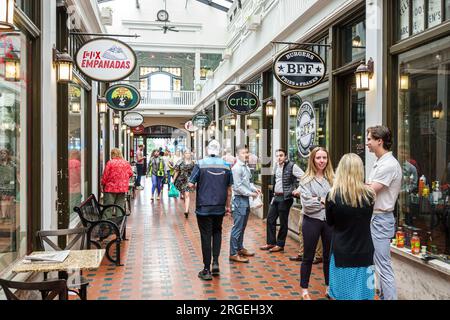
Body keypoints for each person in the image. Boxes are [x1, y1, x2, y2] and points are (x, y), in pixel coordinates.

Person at [326, 153, 376, 300]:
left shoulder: (332, 195)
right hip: (365, 251)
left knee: (341, 294)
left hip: (342, 252)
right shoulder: (370, 195)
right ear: (360, 170)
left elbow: (330, 222)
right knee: (364, 295)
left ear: (340, 169)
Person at [366, 125, 402, 300]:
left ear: (379, 141)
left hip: (381, 219)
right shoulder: (380, 162)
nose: (367, 143)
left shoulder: (388, 164)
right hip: (375, 218)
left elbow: (370, 190)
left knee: (383, 265)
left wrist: (350, 184)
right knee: (374, 263)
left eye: (369, 139)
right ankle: (377, 294)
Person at [188, 140, 233, 281]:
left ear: (207, 149)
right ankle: (215, 263)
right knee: (217, 231)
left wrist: (196, 187)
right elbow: (229, 190)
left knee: (205, 235)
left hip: (203, 206)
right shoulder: (226, 165)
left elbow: (191, 184)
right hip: (219, 206)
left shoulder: (200, 164)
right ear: (219, 150)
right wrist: (228, 206)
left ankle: (206, 269)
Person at [293, 146, 334, 300]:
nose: (321, 161)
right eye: (318, 158)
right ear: (312, 160)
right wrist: (323, 200)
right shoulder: (305, 179)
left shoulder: (333, 178)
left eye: (324, 157)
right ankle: (304, 289)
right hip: (311, 221)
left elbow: (335, 200)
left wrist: (317, 199)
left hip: (329, 221)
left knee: (328, 257)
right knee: (308, 257)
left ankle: (329, 287)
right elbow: (307, 204)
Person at [260, 149, 304, 253]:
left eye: (281, 155)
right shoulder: (276, 166)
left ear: (285, 156)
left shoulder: (292, 166)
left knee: (283, 222)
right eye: (277, 156)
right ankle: (271, 242)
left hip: (285, 198)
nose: (279, 157)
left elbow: (305, 177)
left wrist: (298, 190)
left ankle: (280, 244)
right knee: (270, 219)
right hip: (276, 197)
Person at [229, 145, 261, 263]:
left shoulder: (245, 166)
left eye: (247, 152)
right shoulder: (237, 168)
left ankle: (240, 248)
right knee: (237, 228)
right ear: (237, 155)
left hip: (245, 199)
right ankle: (233, 253)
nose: (246, 155)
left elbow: (247, 182)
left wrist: (254, 189)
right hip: (239, 200)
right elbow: (237, 187)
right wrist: (250, 194)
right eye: (243, 153)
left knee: (242, 227)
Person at [101, 148, 133, 219]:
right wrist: (123, 179)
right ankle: (119, 224)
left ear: (112, 154)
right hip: (122, 188)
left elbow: (105, 175)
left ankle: (106, 224)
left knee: (108, 208)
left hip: (110, 188)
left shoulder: (110, 162)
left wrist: (102, 184)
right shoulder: (126, 163)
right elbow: (130, 173)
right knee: (120, 207)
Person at [173, 149, 195, 218]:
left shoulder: (193, 163)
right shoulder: (180, 162)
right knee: (184, 194)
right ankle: (186, 207)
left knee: (187, 194)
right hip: (181, 180)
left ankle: (186, 211)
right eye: (186, 153)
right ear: (184, 154)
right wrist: (173, 180)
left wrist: (195, 181)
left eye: (189, 153)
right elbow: (176, 171)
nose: (188, 154)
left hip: (189, 180)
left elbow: (194, 173)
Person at [0, 148, 15, 222]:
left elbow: (14, 175)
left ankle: (10, 217)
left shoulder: (12, 164)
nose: (2, 155)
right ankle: (3, 216)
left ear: (7, 154)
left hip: (10, 185)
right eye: (1, 153)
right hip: (2, 185)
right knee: (3, 201)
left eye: (4, 153)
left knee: (10, 202)